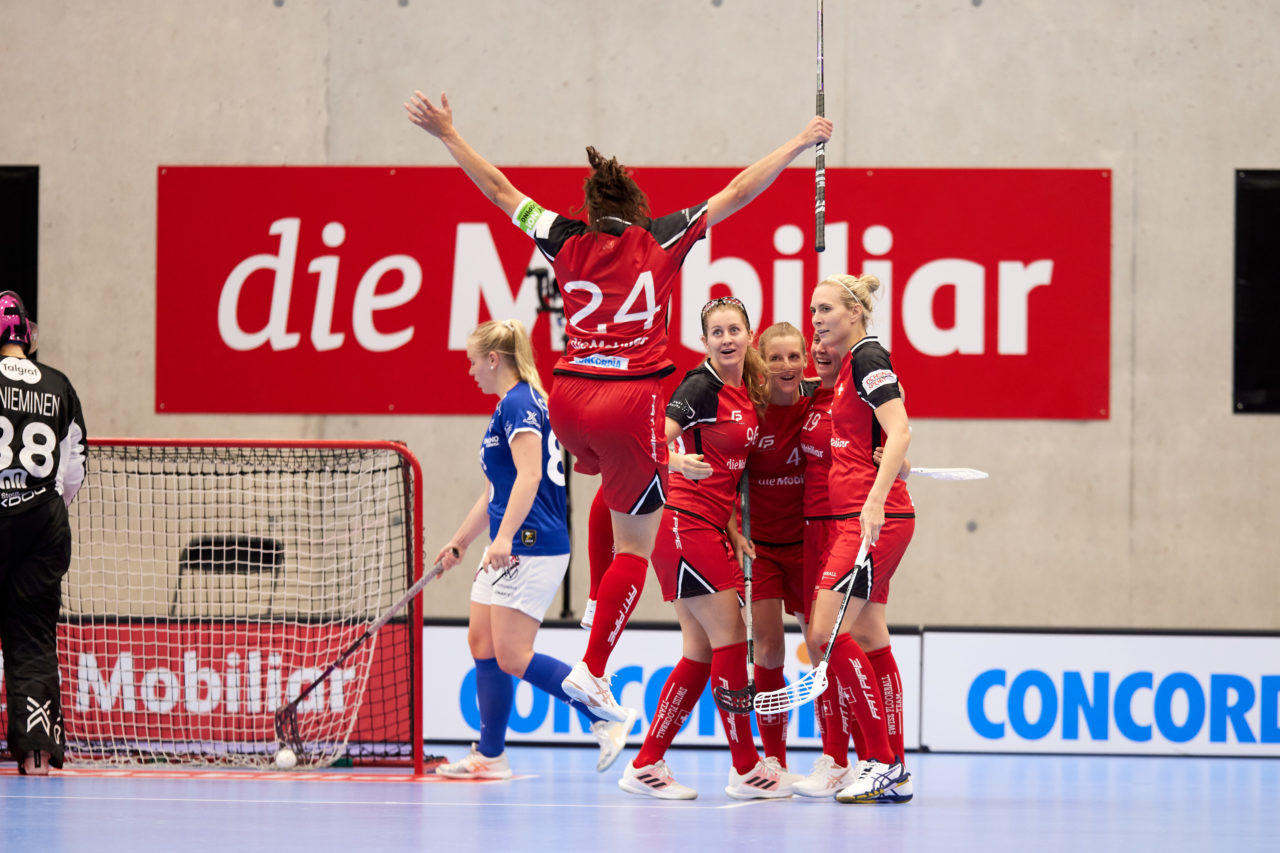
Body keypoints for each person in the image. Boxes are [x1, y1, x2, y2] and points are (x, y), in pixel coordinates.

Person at [406, 90, 833, 721]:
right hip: (630, 400)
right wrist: (798, 144)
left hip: (569, 402)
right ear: (636, 208)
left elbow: (498, 189)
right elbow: (739, 190)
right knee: (637, 543)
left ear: (590, 206)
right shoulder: (661, 238)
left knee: (612, 491)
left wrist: (446, 132)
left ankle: (592, 607)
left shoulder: (561, 235)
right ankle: (593, 666)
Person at [431, 319, 637, 779]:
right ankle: (491, 755)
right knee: (481, 642)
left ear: (493, 359)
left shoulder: (522, 401)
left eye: (472, 363)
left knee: (511, 653)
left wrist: (503, 537)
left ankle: (601, 710)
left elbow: (528, 476)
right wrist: (460, 542)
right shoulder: (511, 404)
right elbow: (497, 489)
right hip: (509, 540)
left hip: (530, 542)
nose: (470, 373)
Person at [617, 297, 789, 801]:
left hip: (709, 527)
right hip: (684, 525)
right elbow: (651, 442)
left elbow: (729, 470)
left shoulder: (741, 391)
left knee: (698, 652)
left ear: (748, 334)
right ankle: (745, 767)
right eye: (717, 332)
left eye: (735, 329)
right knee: (733, 638)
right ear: (705, 340)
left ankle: (646, 764)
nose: (727, 338)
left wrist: (733, 526)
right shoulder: (700, 387)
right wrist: (674, 462)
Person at [805, 274, 915, 803]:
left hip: (870, 518)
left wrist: (875, 497)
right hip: (866, 514)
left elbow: (901, 428)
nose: (817, 318)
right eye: (812, 310)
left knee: (824, 632)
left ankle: (878, 762)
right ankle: (895, 765)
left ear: (855, 311)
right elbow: (885, 440)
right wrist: (896, 469)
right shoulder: (848, 367)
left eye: (826, 308)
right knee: (869, 635)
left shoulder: (869, 357)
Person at [0, 290, 87, 775]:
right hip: (42, 523)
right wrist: (43, 509)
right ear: (26, 333)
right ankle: (36, 754)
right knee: (32, 636)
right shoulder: (58, 384)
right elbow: (73, 470)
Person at [726, 322, 812, 771]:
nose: (785, 366)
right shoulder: (749, 414)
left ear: (805, 359)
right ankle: (775, 760)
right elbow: (720, 478)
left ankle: (837, 757)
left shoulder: (820, 403)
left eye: (793, 356)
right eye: (775, 358)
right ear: (760, 364)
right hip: (762, 552)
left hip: (811, 548)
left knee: (823, 648)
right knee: (770, 650)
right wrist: (732, 530)